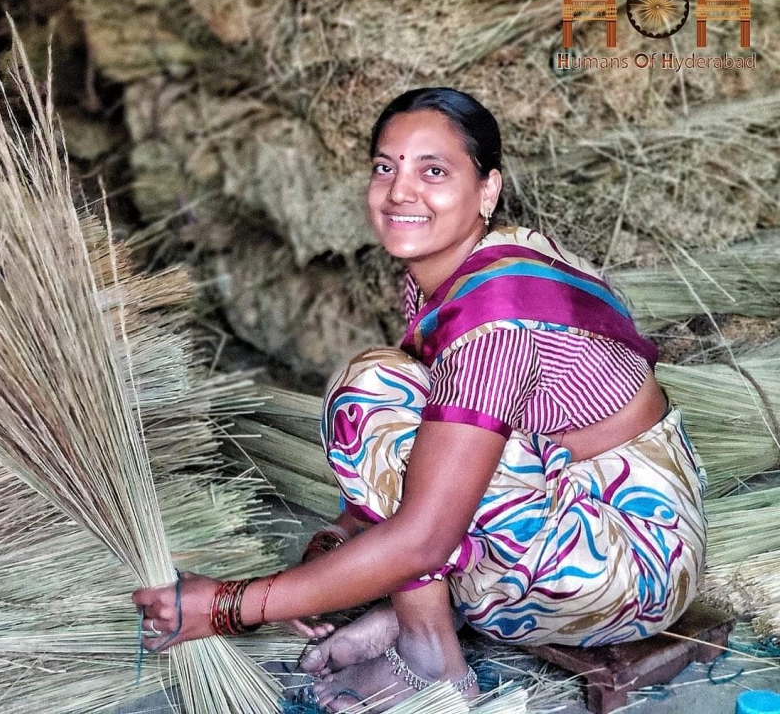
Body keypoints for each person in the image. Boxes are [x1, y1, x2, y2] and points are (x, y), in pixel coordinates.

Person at [132, 87, 708, 711]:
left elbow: (427, 539)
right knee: (394, 396)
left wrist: (228, 606)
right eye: (386, 168)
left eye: (433, 171)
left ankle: (430, 656)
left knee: (371, 391)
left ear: (487, 190)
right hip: (596, 520)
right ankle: (417, 618)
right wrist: (339, 542)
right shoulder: (474, 267)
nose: (400, 191)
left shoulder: (496, 322)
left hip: (625, 566)